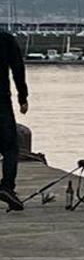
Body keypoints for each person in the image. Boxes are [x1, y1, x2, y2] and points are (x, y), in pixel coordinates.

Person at [0, 29, 29, 212]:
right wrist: (23, 97)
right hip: (1, 99)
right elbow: (18, 68)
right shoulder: (5, 39)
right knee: (10, 147)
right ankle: (7, 187)